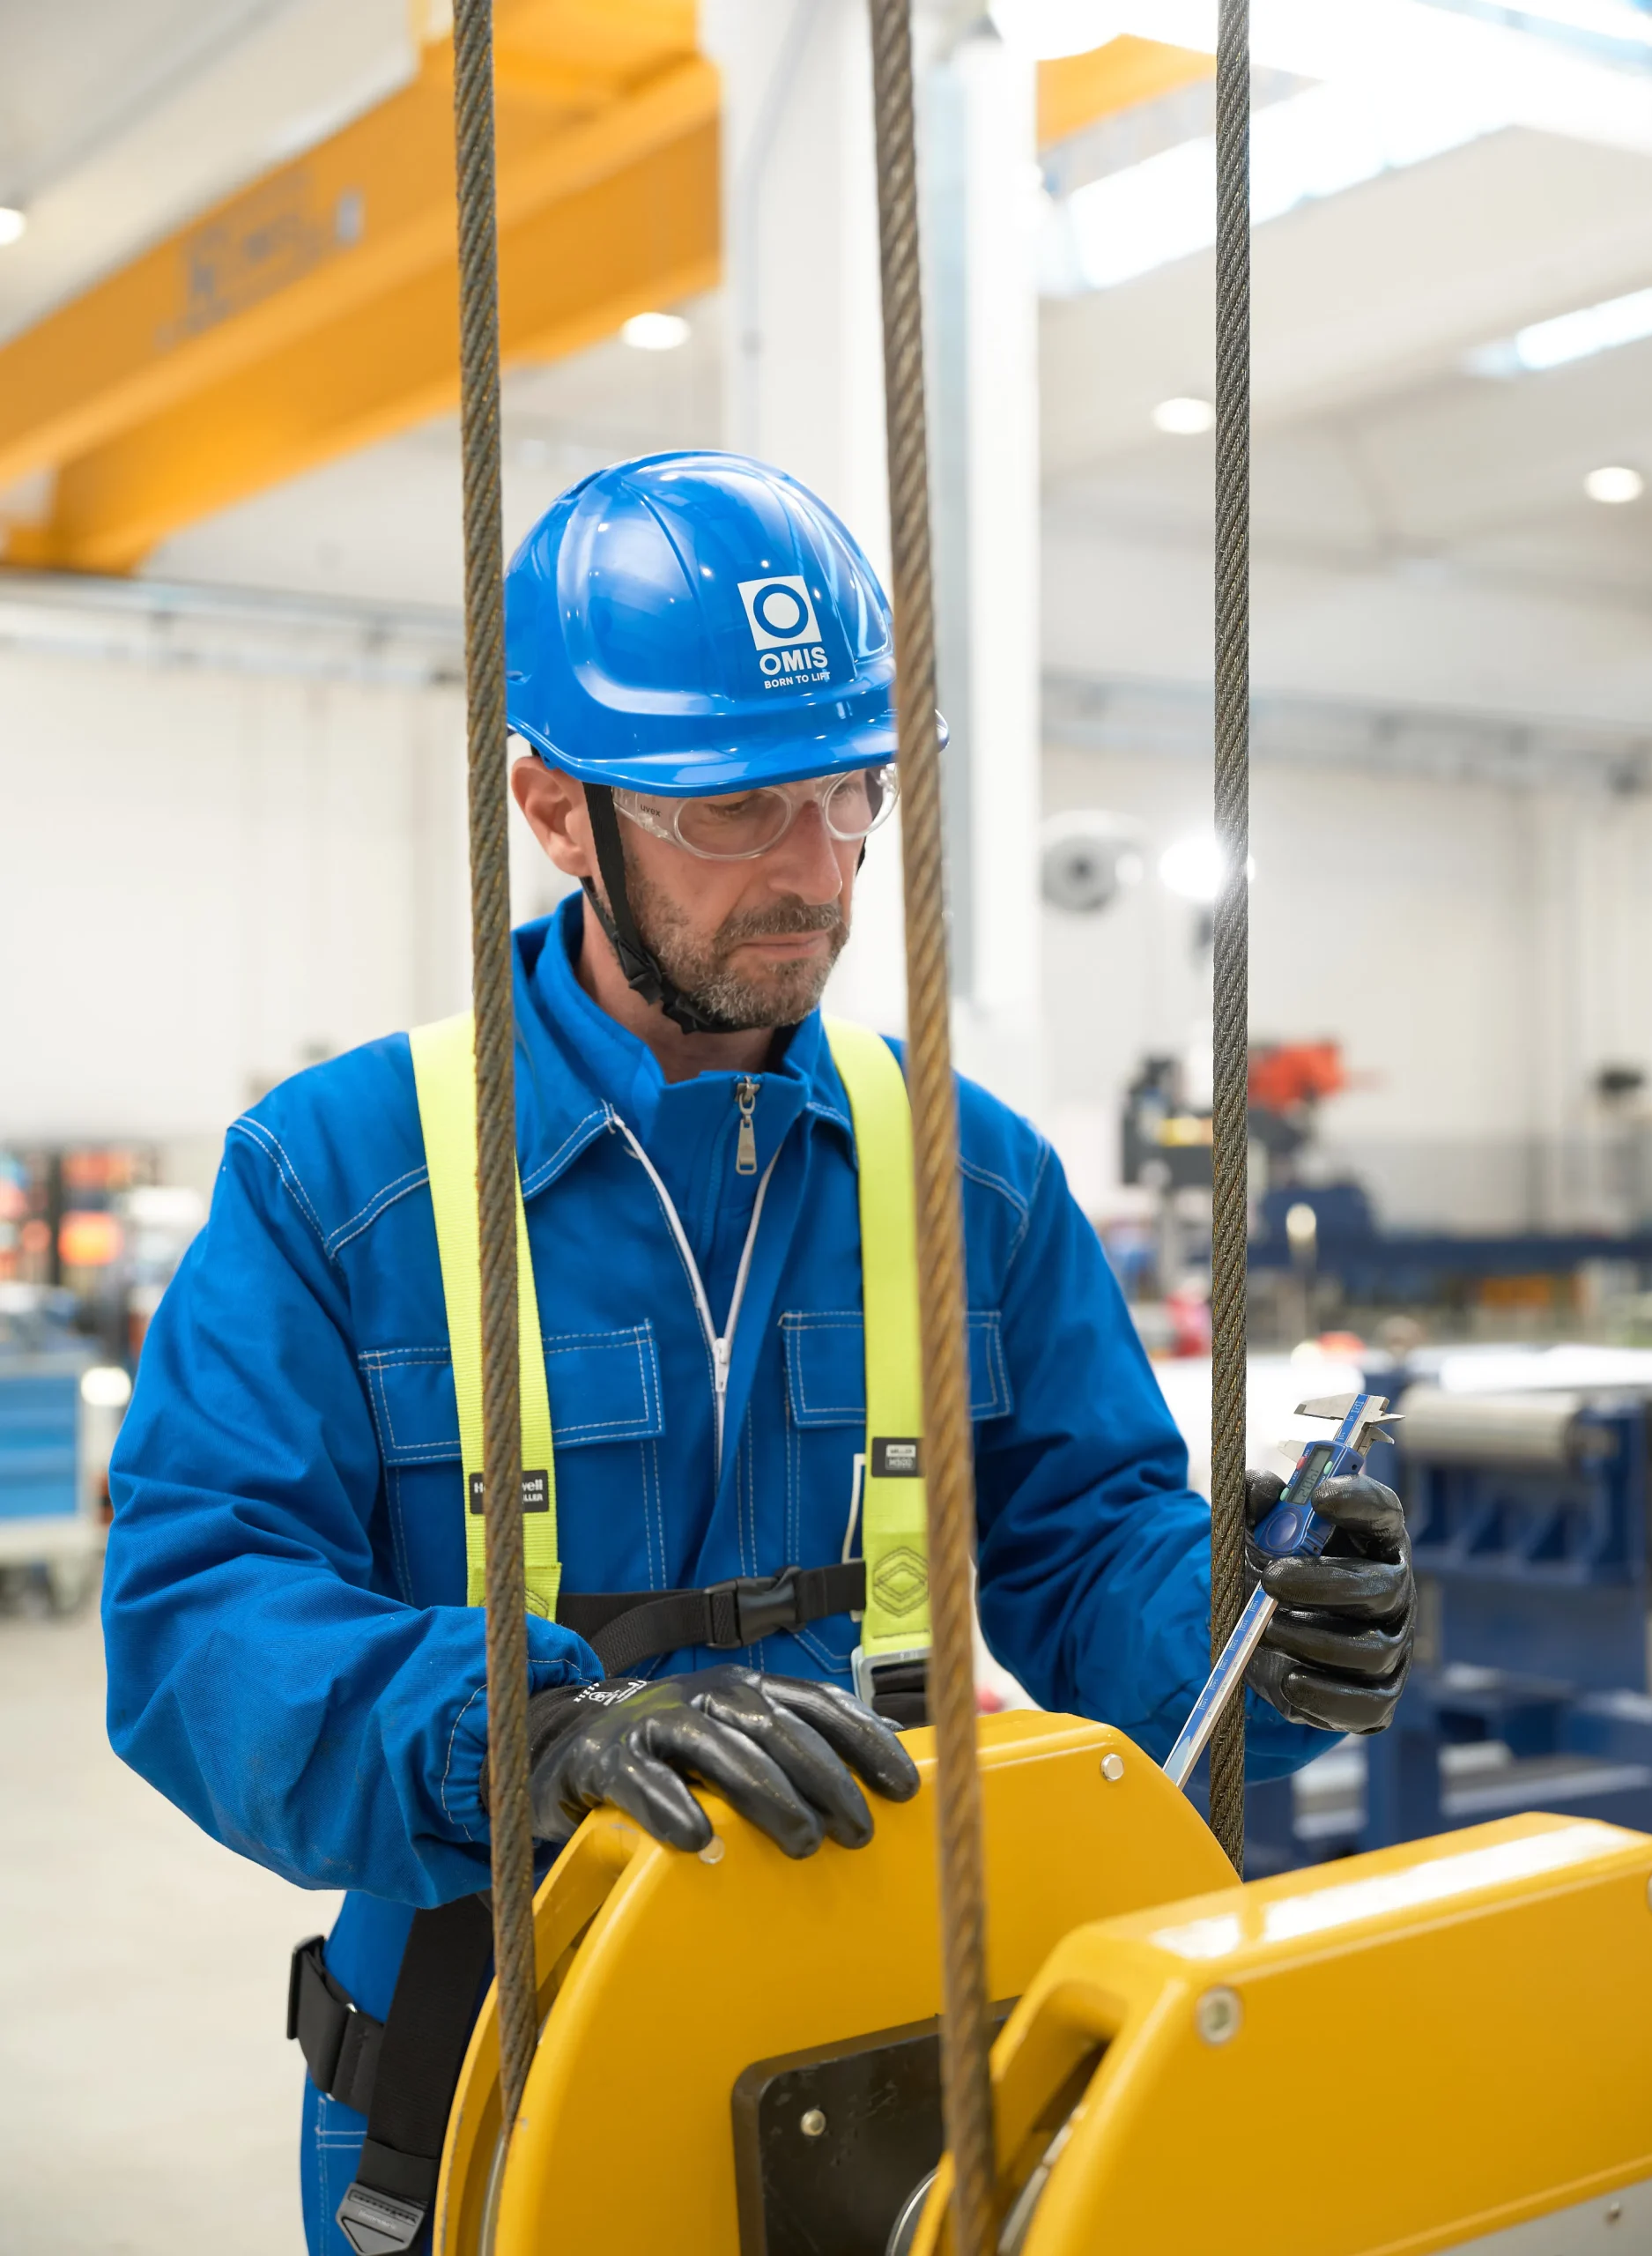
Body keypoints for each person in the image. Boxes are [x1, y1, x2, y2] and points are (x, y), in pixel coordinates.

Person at [102, 452, 1413, 2255]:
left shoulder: (962, 1170)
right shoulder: (341, 1179)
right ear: (556, 806)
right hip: (488, 2068)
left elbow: (1078, 1534)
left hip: (894, 2037)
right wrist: (527, 1729)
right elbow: (195, 1612)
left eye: (852, 796)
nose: (816, 877)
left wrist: (1248, 1613)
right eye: (737, 813)